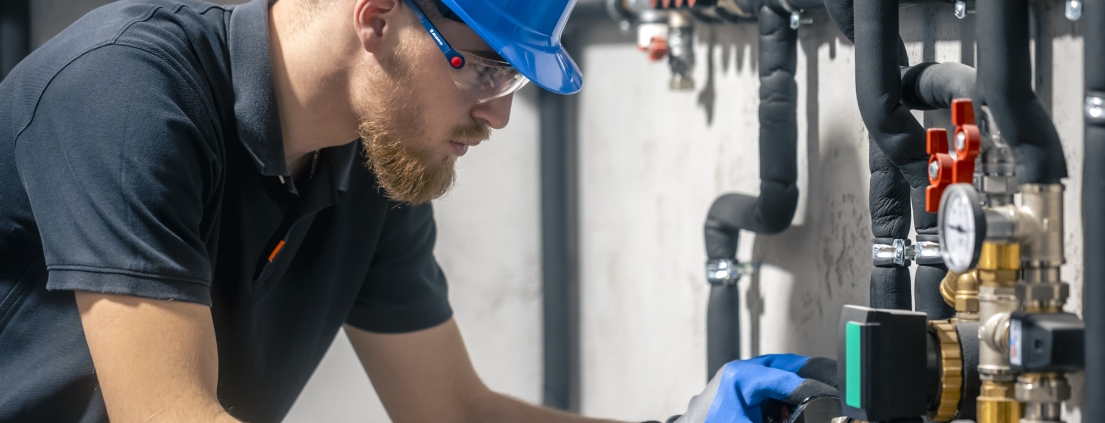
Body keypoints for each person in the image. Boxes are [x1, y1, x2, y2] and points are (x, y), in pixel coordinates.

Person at [0, 0, 836, 421]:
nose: (500, 113)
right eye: (482, 69)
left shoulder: (378, 159)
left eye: (511, 80)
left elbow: (452, 410)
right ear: (375, 17)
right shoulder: (128, 95)